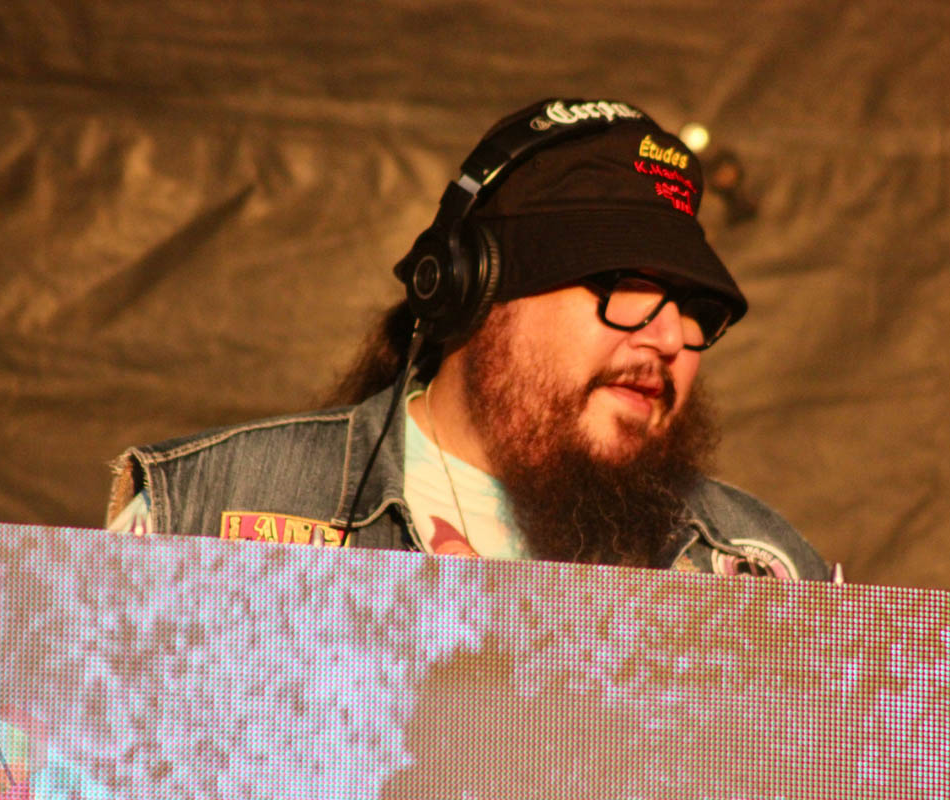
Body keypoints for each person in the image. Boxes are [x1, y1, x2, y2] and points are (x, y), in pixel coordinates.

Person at [106, 98, 828, 580]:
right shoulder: (203, 519)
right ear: (475, 290)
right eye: (626, 287)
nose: (670, 337)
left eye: (696, 308)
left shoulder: (760, 572)